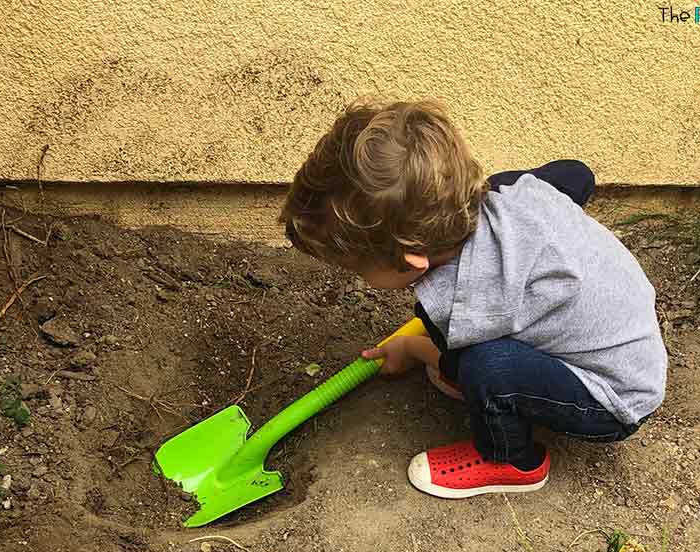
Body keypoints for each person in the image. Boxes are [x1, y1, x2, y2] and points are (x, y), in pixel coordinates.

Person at [278, 100, 666, 498]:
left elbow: (458, 360)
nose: (361, 279)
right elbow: (576, 176)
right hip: (626, 327)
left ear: (412, 259)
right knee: (485, 355)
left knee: (485, 366)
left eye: (360, 269)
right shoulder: (512, 187)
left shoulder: (461, 304)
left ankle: (511, 460)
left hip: (613, 397)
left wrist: (412, 348)